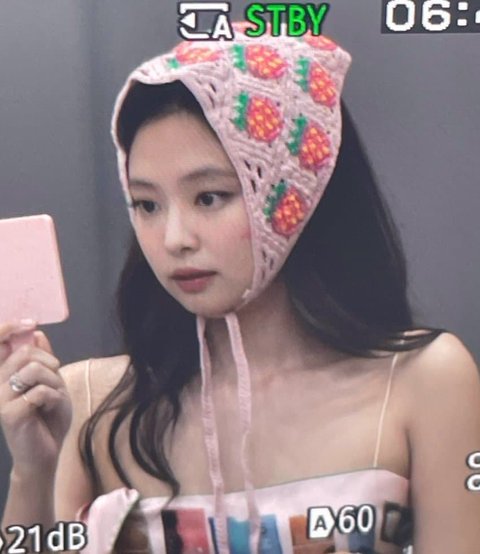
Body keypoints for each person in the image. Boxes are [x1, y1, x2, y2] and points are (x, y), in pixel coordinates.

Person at [1, 23, 480, 554]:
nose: (174, 238)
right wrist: (32, 473)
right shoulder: (87, 401)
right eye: (147, 204)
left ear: (294, 195)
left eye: (209, 197)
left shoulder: (423, 380)